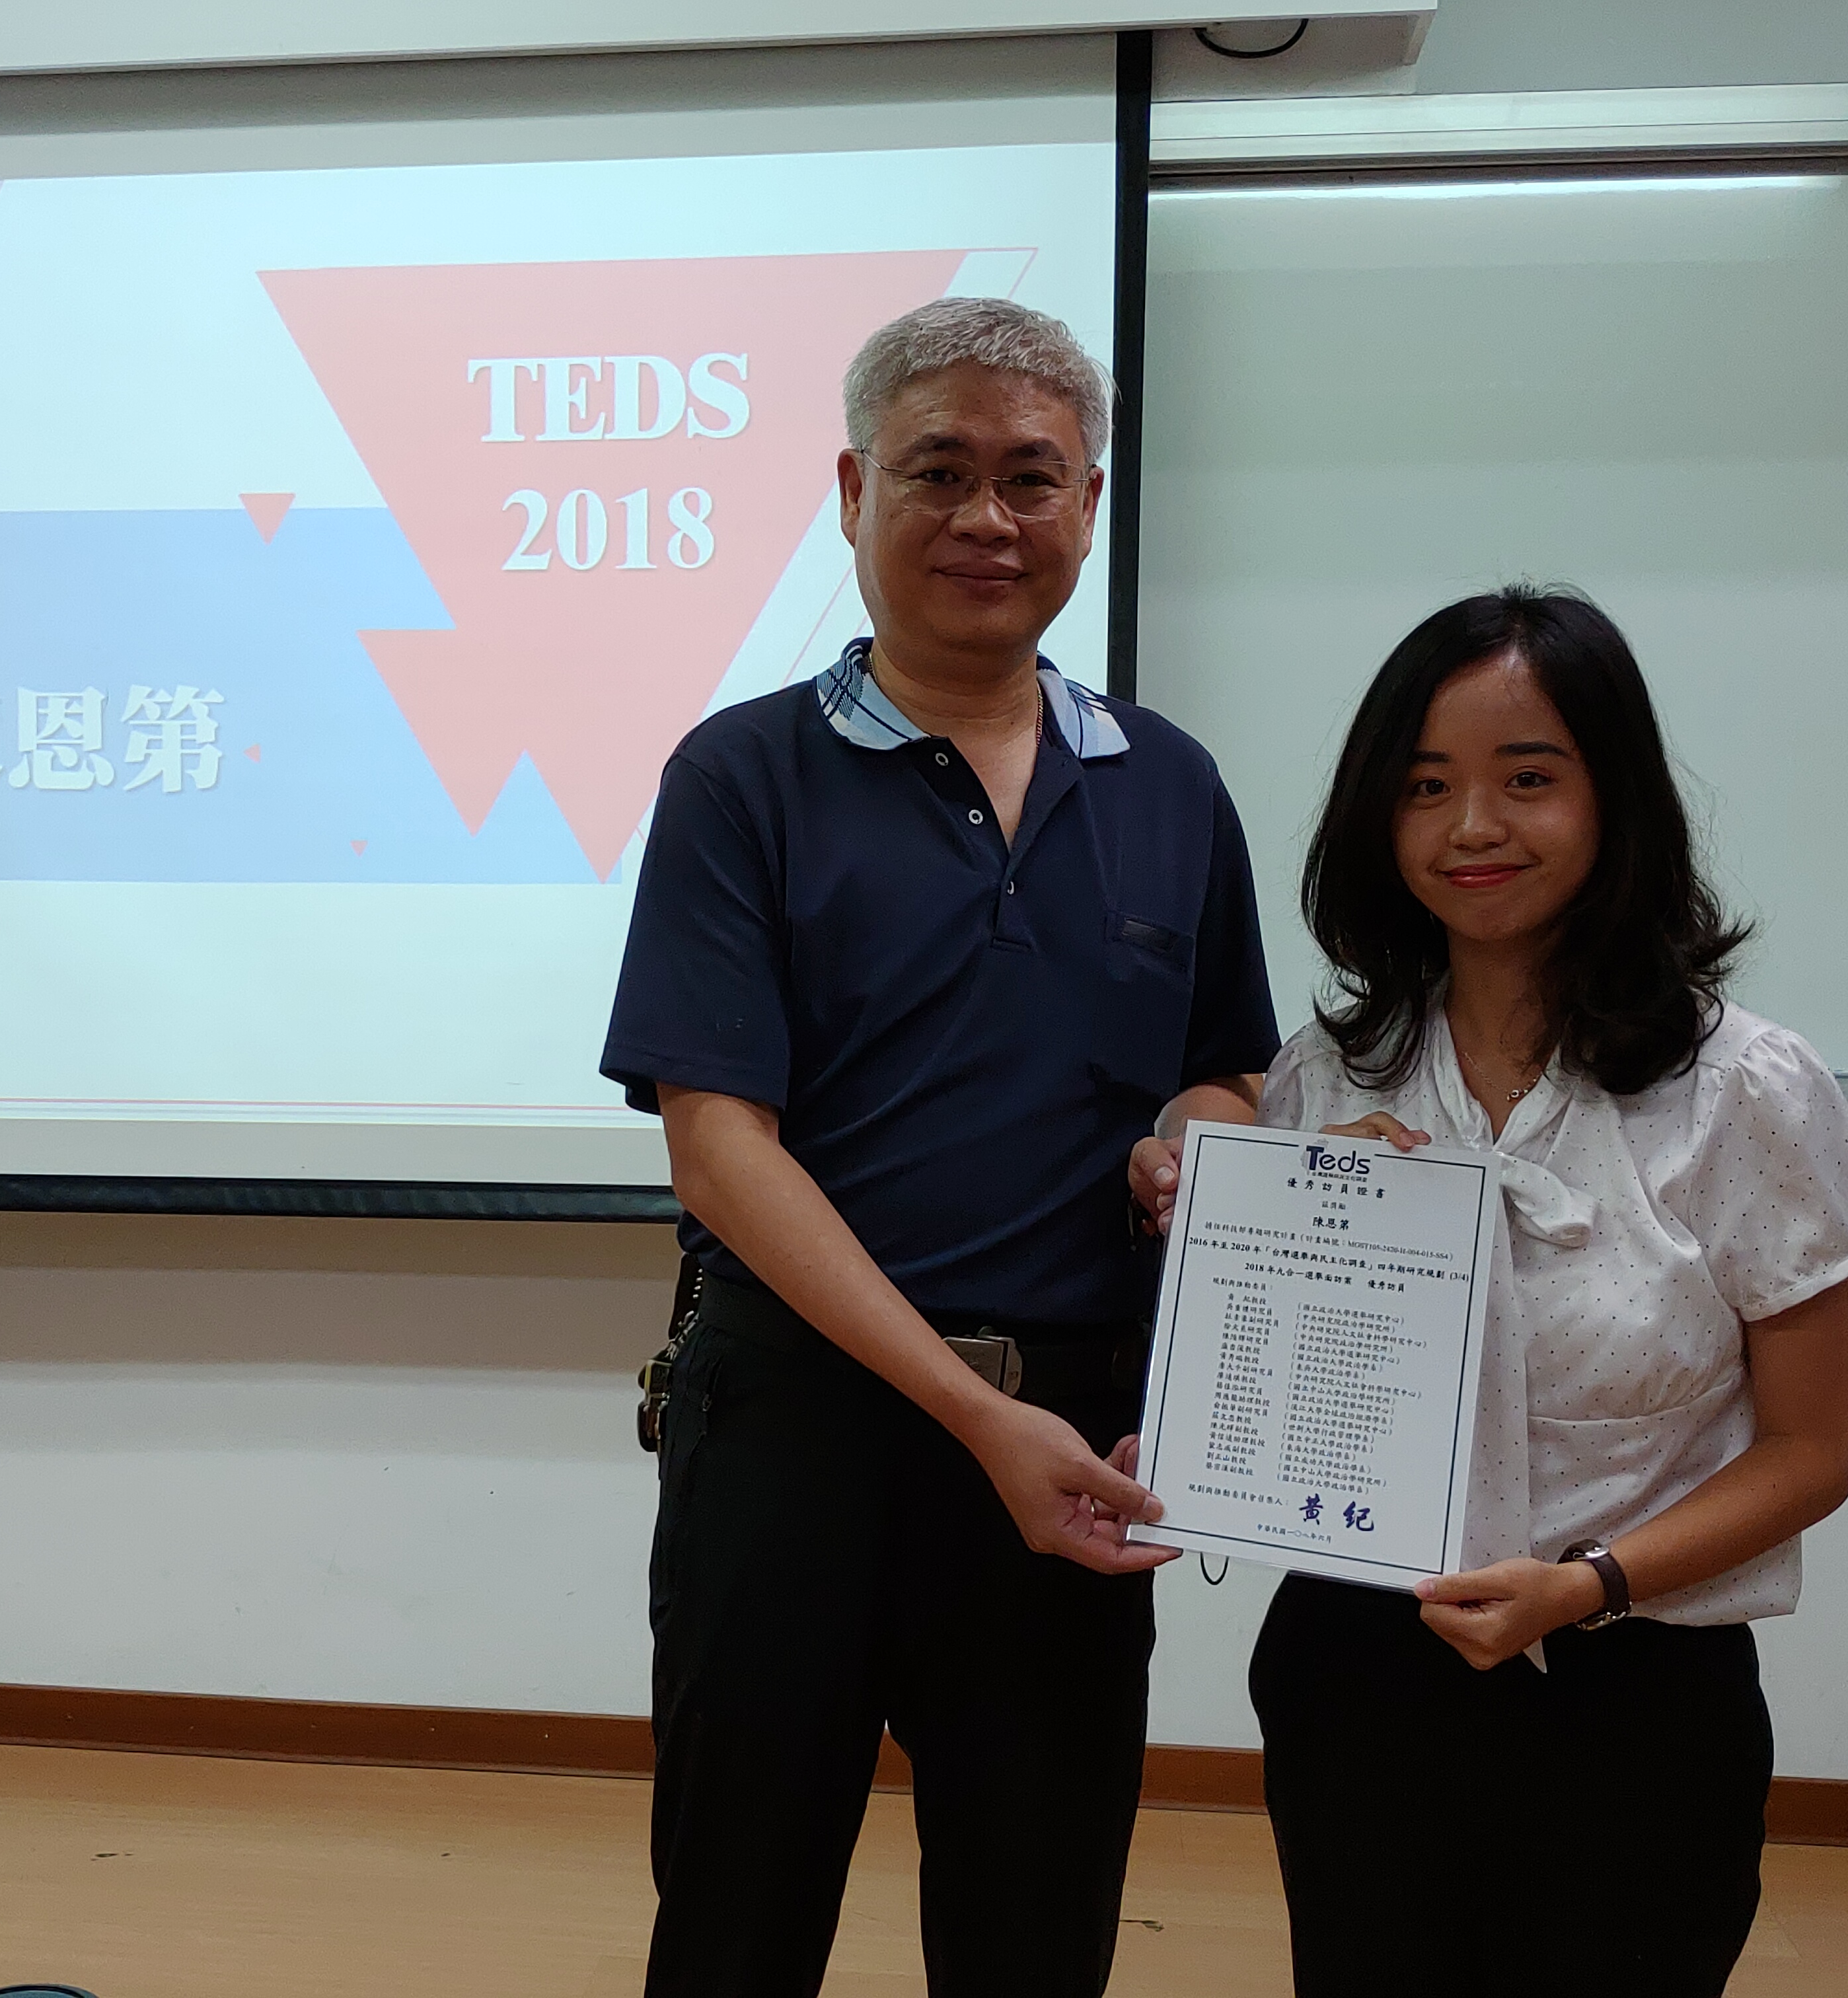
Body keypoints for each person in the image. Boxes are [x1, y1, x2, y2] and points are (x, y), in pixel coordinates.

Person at [600, 297, 1282, 1998]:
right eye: (939, 470)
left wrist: (1193, 1140)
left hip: (1076, 1444)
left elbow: (1225, 1072)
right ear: (853, 491)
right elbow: (719, 1152)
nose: (989, 516)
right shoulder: (739, 777)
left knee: (1035, 1931)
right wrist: (977, 1418)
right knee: (740, 1922)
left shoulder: (1172, 786)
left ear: (1089, 506)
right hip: (797, 1437)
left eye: (1032, 478)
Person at [1136, 586, 1848, 1997]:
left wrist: (1584, 1588)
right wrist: (1194, 1403)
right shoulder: (1322, 1080)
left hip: (1639, 1690)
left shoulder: (1748, 1091)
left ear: (1616, 799)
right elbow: (1268, 1371)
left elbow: (1810, 1452)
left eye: (1527, 779)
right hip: (1358, 1680)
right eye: (1426, 787)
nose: (1472, 826)